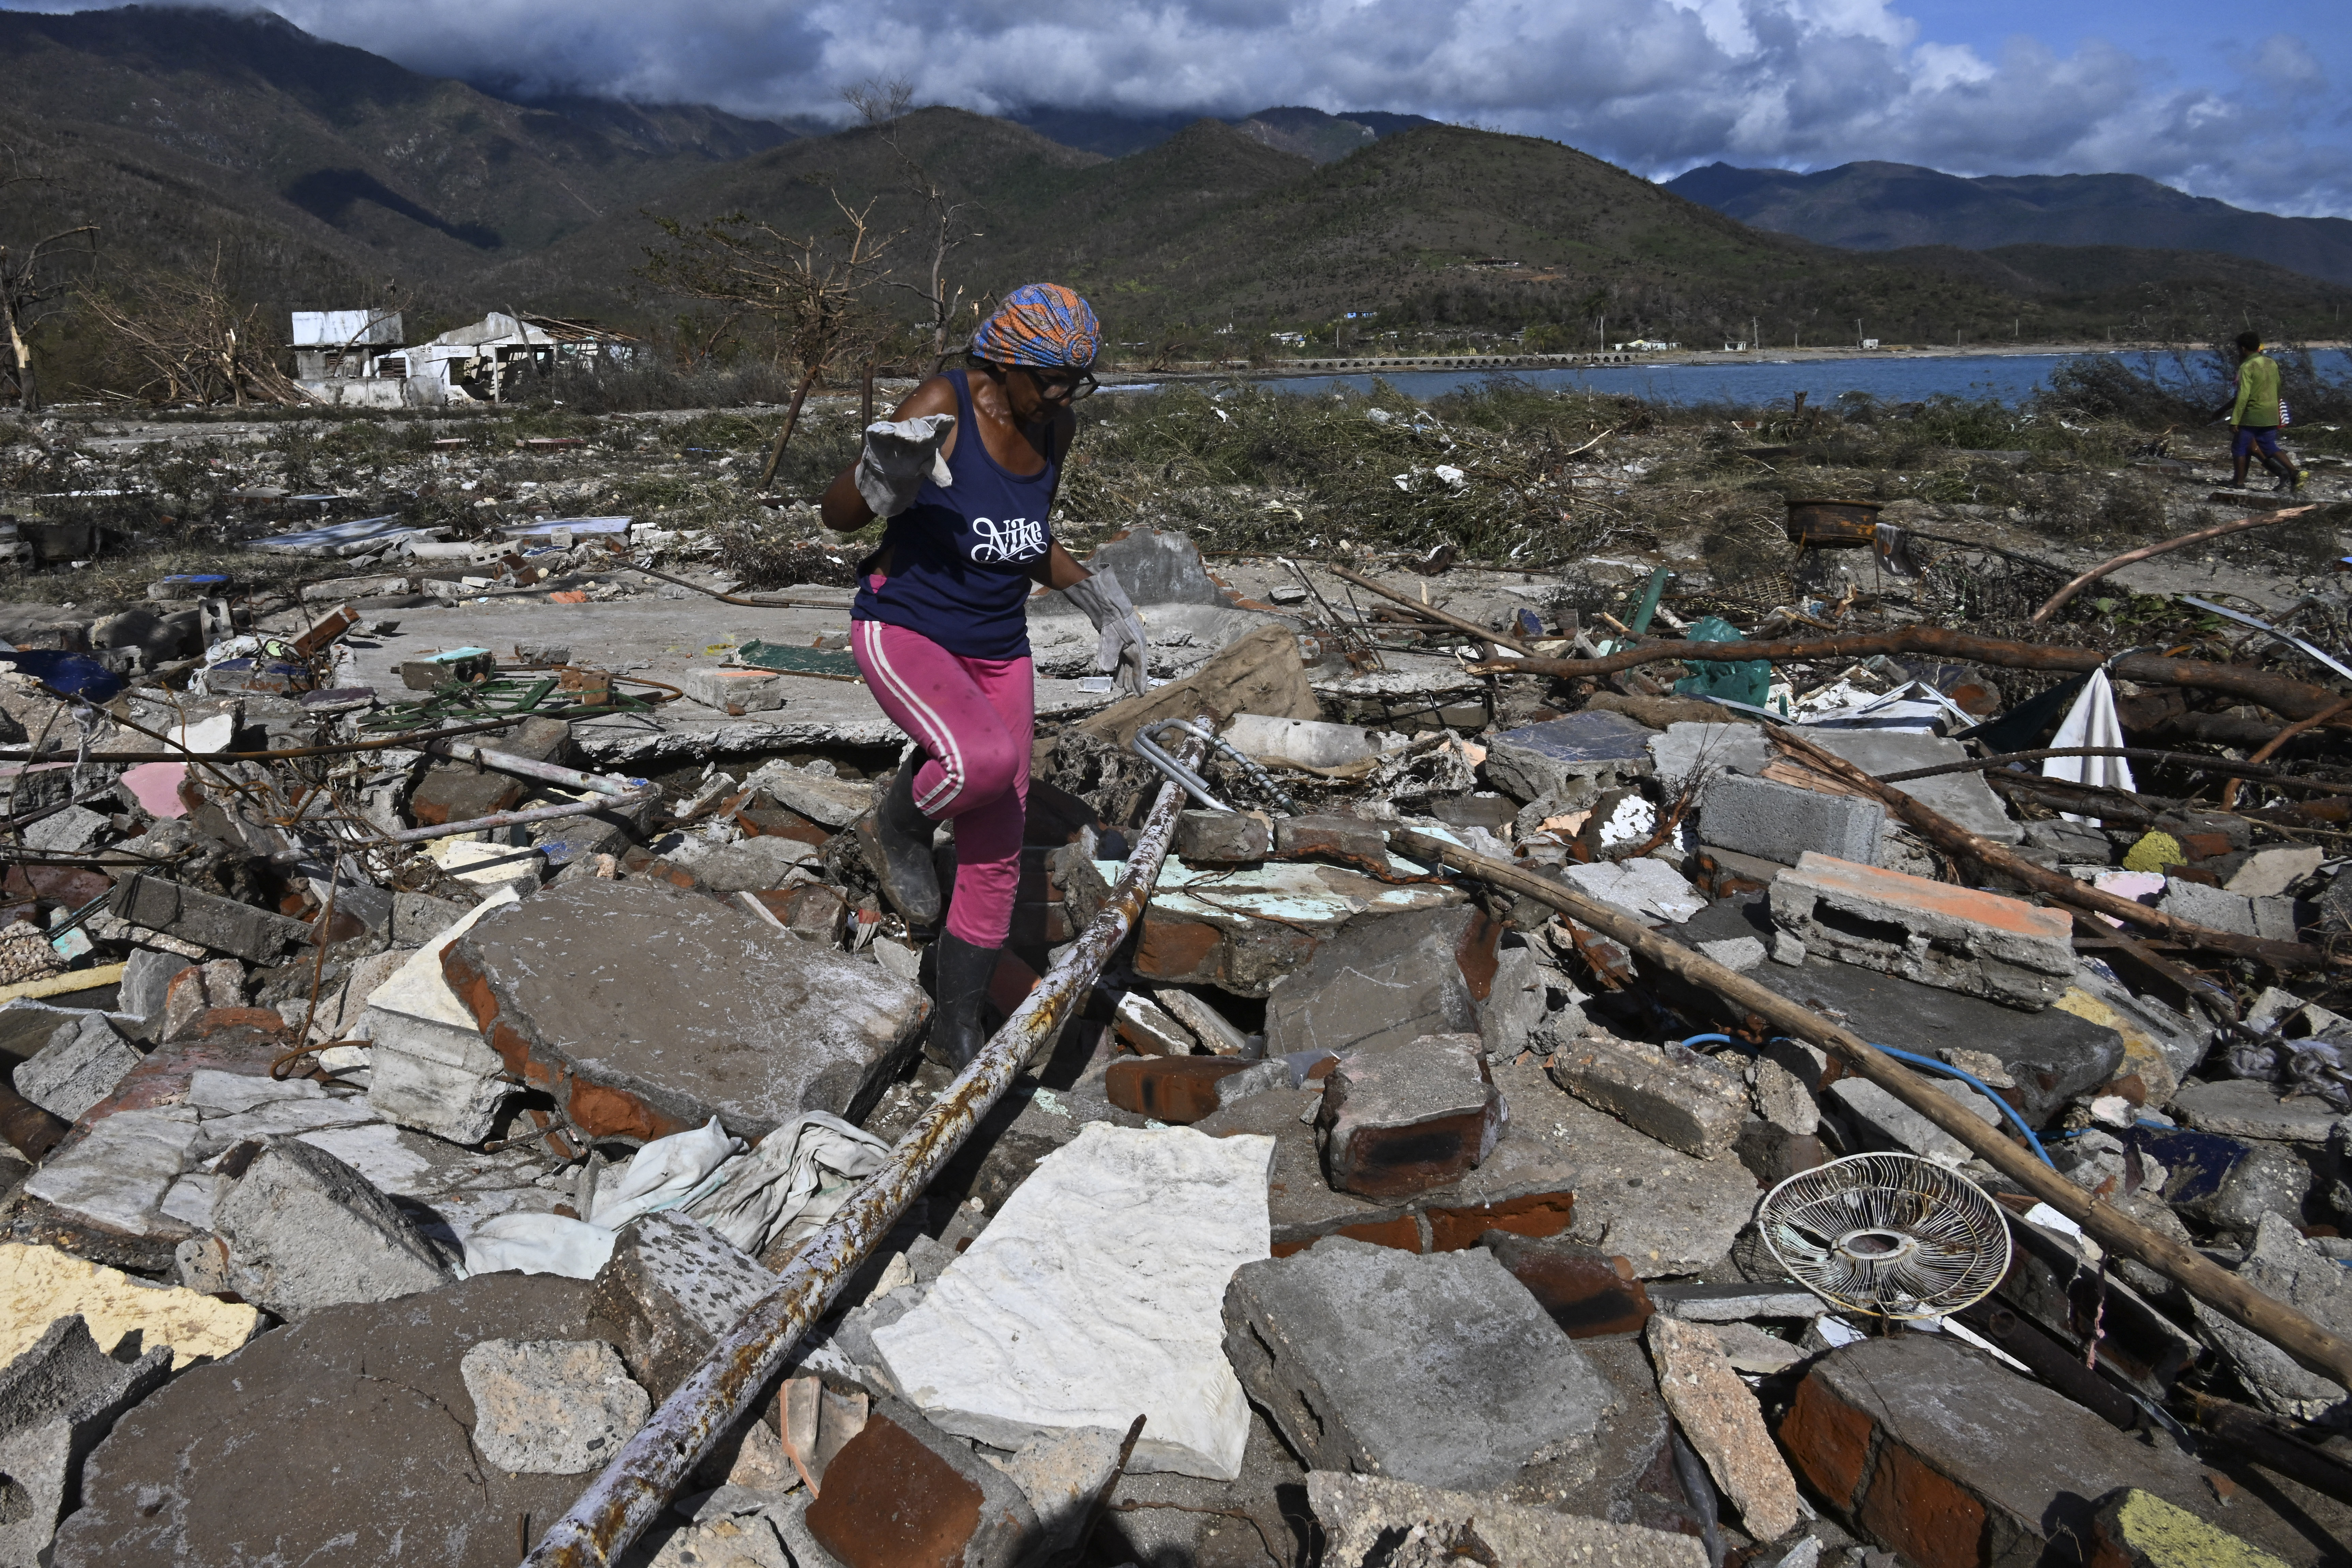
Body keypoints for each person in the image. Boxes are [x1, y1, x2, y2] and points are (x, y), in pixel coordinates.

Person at [818, 283, 1147, 1070]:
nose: (1067, 395)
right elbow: (837, 515)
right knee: (981, 765)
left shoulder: (1053, 422)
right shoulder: (947, 399)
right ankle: (896, 823)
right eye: (1054, 378)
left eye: (1078, 379)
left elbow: (1027, 534)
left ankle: (953, 1023)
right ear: (1003, 365)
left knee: (997, 840)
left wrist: (1103, 603)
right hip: (907, 630)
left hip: (999, 642)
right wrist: (878, 481)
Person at [2217, 330, 2302, 493]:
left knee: (2240, 447)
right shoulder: (2271, 363)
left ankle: (2239, 482)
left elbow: (2243, 396)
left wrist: (2235, 420)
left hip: (2252, 414)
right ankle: (2293, 471)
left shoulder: (2247, 367)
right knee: (2269, 445)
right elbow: (2278, 388)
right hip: (2271, 412)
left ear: (2242, 349)